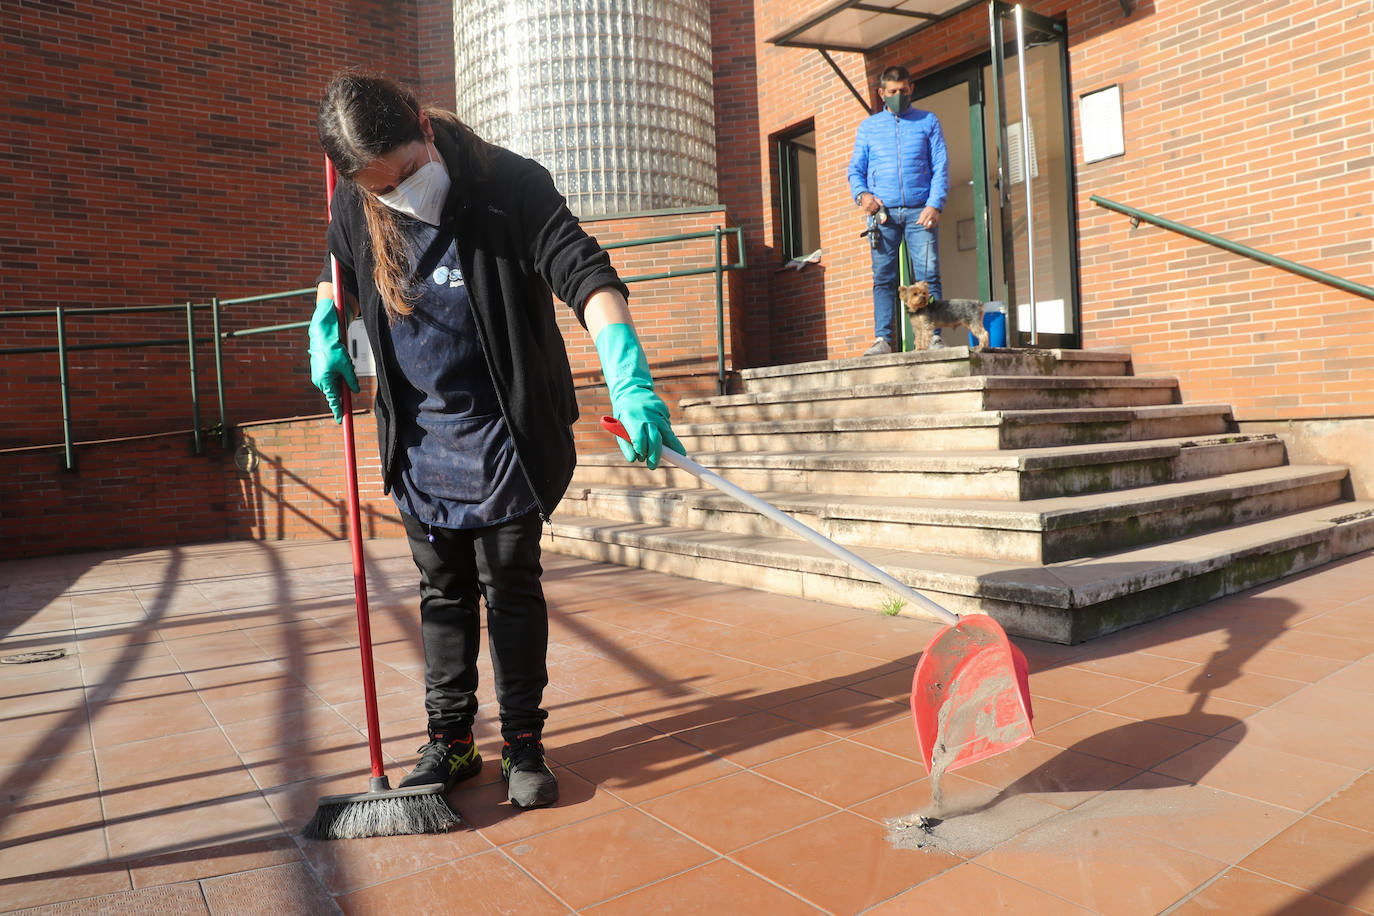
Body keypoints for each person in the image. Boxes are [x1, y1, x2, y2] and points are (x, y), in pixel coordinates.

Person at [307, 71, 684, 810]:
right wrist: (324, 330)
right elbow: (339, 273)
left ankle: (522, 742)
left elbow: (586, 273)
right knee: (441, 592)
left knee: (509, 587)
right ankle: (450, 743)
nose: (402, 193)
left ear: (422, 125)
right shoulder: (356, 204)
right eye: (384, 188)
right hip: (419, 437)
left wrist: (628, 376)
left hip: (506, 430)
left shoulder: (509, 183)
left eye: (410, 172)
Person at [847, 65, 950, 356]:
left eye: (903, 91)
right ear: (882, 94)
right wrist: (861, 195)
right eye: (892, 92)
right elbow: (856, 169)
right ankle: (883, 339)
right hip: (883, 215)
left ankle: (933, 338)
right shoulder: (868, 127)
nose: (898, 96)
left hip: (921, 211)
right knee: (883, 278)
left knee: (928, 276)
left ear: (911, 89)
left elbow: (940, 165)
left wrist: (935, 204)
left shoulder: (928, 121)